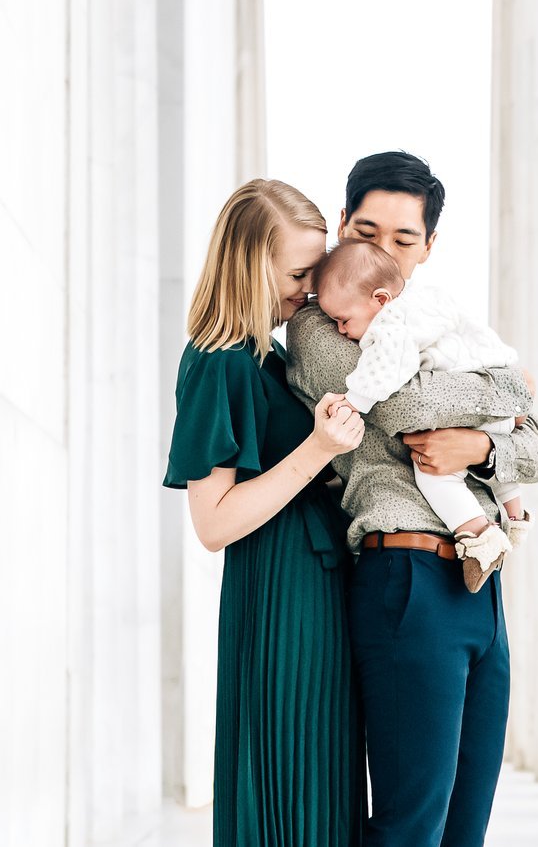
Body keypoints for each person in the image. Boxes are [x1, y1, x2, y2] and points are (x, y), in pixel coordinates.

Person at [286, 150, 538, 847]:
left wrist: (480, 448)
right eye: (367, 232)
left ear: (429, 245)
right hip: (405, 578)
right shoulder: (324, 323)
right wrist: (512, 390)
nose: (383, 252)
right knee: (410, 827)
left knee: (465, 830)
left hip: (478, 591)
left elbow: (536, 450)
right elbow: (410, 401)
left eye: (404, 239)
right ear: (343, 224)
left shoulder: (432, 319)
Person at [164, 178, 367, 847]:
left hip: (319, 593)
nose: (308, 290)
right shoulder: (217, 362)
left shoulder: (271, 357)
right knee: (287, 790)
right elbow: (212, 521)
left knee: (322, 787)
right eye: (298, 273)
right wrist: (316, 450)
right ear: (252, 264)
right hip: (281, 601)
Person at [309, 238, 530, 590]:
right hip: (497, 399)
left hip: (468, 412)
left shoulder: (390, 324)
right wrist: (515, 394)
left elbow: (390, 378)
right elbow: (521, 393)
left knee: (435, 474)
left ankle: (479, 537)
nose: (340, 330)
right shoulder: (429, 300)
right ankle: (515, 515)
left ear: (380, 299)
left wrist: (355, 401)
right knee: (495, 456)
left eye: (343, 319)